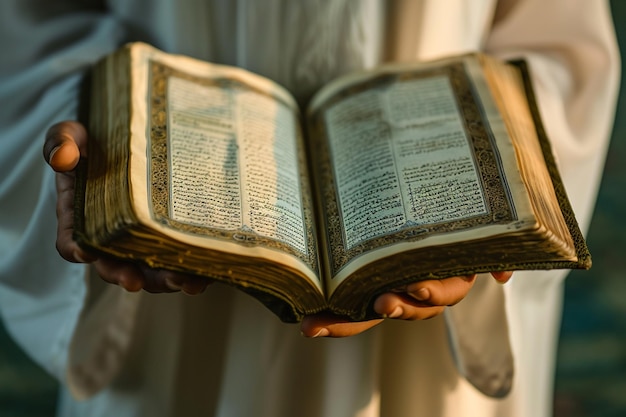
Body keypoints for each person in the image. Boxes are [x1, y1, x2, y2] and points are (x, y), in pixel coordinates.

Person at [0, 1, 619, 416]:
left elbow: (554, 39)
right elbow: (36, 22)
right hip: (176, 326)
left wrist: (495, 204)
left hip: (419, 365)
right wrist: (96, 143)